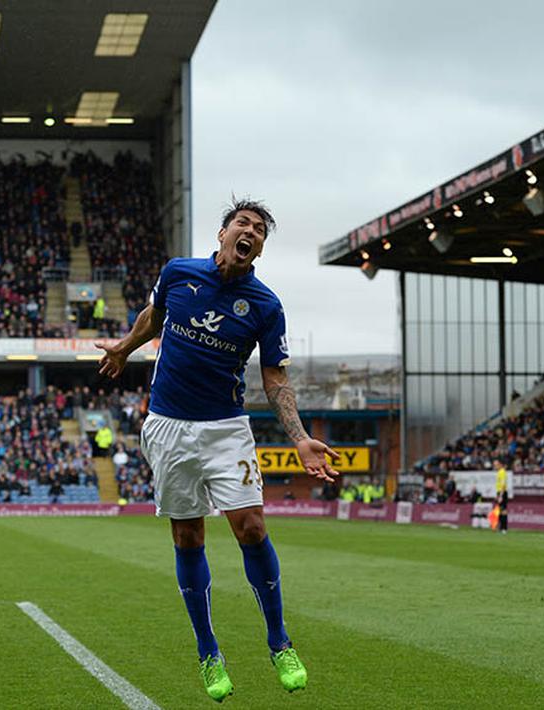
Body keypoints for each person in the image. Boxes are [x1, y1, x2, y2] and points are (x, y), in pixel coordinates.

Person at [95, 199, 338, 701]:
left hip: (226, 428)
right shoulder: (178, 273)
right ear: (223, 232)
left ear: (260, 249)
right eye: (243, 224)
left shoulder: (265, 306)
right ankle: (209, 651)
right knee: (187, 537)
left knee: (251, 526)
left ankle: (279, 641)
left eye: (260, 231)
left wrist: (298, 437)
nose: (250, 233)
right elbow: (154, 315)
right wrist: (124, 346)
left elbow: (275, 377)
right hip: (167, 426)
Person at [493, 459, 508, 534]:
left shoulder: (502, 472)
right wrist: (498, 494)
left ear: (500, 464)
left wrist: (501, 495)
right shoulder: (499, 472)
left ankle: (504, 528)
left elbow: (503, 484)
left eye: (496, 465)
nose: (495, 466)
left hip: (503, 492)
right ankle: (501, 527)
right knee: (500, 510)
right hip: (500, 492)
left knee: (503, 510)